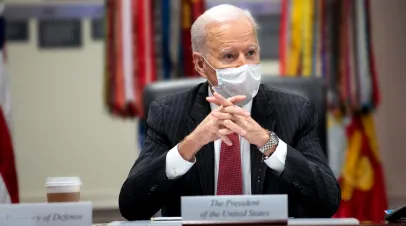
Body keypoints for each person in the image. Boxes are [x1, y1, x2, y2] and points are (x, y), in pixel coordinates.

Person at [119, 4, 340, 220]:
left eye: (250, 52)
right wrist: (191, 144)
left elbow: (327, 201)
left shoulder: (295, 111)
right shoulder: (168, 114)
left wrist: (268, 143)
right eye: (229, 56)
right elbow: (132, 207)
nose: (244, 65)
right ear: (200, 64)